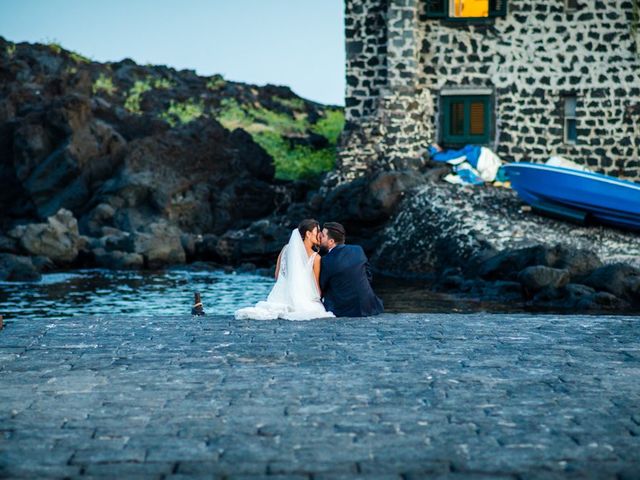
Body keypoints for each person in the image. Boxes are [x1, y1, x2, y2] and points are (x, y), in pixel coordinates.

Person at [234, 219, 334, 320]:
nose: (320, 235)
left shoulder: (285, 249)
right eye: (317, 231)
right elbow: (317, 289)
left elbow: (277, 275)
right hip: (304, 300)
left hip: (279, 297)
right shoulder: (316, 258)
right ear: (308, 234)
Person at [319, 222, 384, 317]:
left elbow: (321, 287)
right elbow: (369, 275)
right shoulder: (358, 250)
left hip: (346, 310)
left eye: (323, 235)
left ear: (331, 241)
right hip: (370, 305)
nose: (319, 236)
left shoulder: (326, 260)